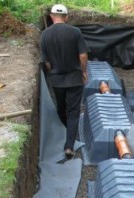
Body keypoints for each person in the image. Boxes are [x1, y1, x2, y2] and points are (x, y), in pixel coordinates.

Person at [40, 4, 89, 159]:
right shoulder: (75, 32)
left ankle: (64, 131)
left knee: (61, 107)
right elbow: (83, 55)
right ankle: (69, 146)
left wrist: (53, 71)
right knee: (73, 112)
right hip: (74, 79)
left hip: (56, 80)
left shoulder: (45, 34)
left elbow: (46, 62)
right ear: (66, 17)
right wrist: (84, 71)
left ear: (52, 16)